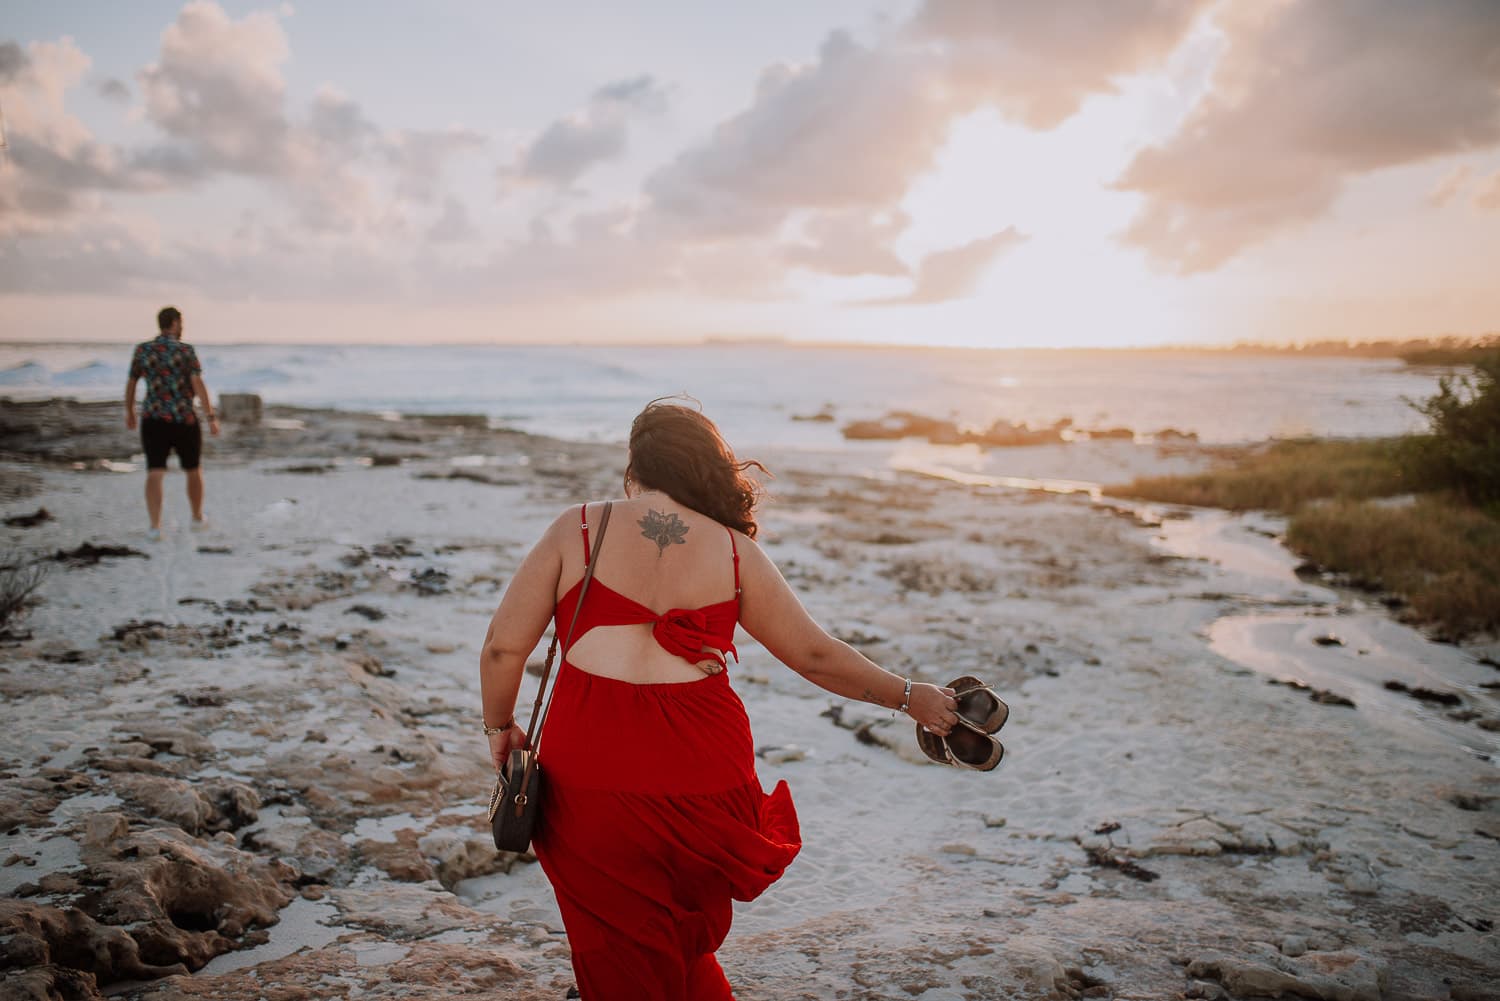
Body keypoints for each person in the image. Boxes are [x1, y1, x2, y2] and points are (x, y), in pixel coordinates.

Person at [478, 400, 960, 1001]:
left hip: (593, 778)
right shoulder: (735, 552)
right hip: (705, 777)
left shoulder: (577, 527)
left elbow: (503, 649)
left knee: (621, 946)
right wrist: (910, 696)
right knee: (679, 939)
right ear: (706, 468)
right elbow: (814, 654)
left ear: (635, 468)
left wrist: (500, 726)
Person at [124, 306, 219, 539]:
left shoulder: (143, 350)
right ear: (175, 323)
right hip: (184, 418)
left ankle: (155, 527)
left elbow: (132, 383)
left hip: (153, 418)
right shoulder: (186, 351)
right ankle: (197, 518)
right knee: (193, 469)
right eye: (181, 322)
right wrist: (210, 417)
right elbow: (198, 384)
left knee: (155, 471)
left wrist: (130, 411)